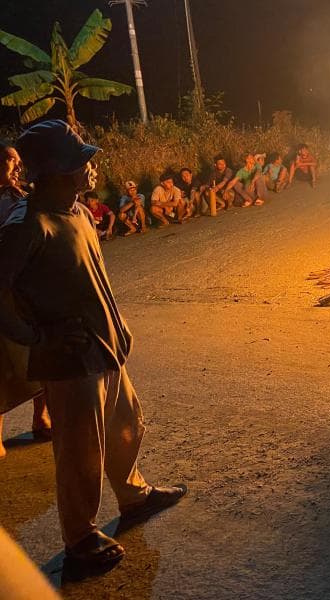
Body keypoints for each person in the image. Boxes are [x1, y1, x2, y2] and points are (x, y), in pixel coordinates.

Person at [2, 120, 186, 571]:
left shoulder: (80, 213)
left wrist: (118, 323)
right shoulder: (26, 226)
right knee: (80, 450)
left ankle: (134, 495)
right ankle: (80, 539)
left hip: (105, 347)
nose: (91, 166)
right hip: (67, 361)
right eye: (82, 159)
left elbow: (93, 278)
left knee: (127, 426)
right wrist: (35, 337)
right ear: (58, 170)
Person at [0, 139, 50, 460]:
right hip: (3, 286)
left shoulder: (24, 194)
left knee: (40, 352)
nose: (17, 166)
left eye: (18, 161)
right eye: (10, 161)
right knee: (3, 359)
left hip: (30, 287)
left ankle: (41, 417)